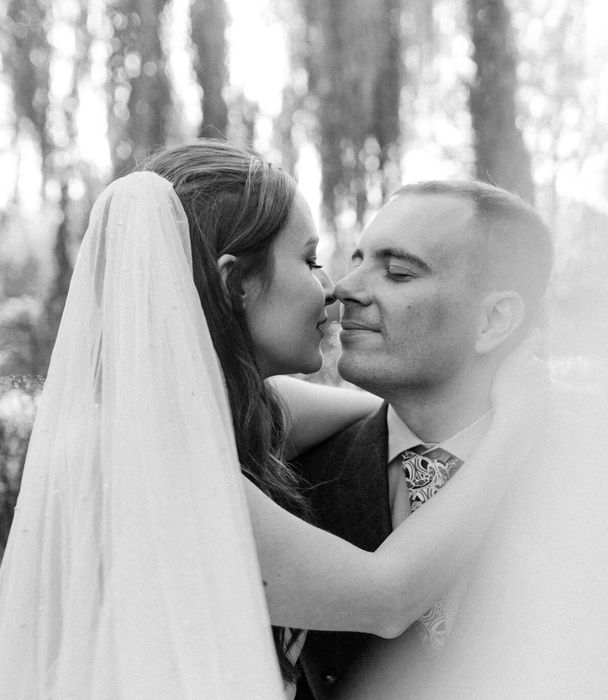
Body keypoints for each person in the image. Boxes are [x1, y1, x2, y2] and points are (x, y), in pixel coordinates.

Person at [0, 141, 547, 698]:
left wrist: (448, 419)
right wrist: (511, 431)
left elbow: (356, 412)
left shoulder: (192, 414)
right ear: (236, 284)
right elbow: (388, 597)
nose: (336, 288)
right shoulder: (147, 462)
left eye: (397, 272)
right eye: (311, 260)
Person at [293, 179, 554, 698]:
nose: (345, 287)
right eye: (357, 259)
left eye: (397, 272)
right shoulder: (297, 477)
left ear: (494, 320)